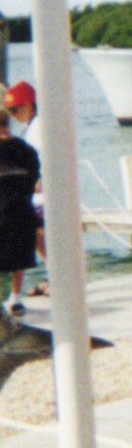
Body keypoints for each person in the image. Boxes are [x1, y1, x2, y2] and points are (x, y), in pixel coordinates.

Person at [3, 80, 46, 298]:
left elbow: (41, 158)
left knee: (38, 235)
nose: (13, 115)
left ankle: (56, 277)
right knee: (38, 236)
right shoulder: (34, 126)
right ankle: (55, 276)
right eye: (9, 111)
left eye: (15, 109)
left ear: (29, 105)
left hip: (43, 193)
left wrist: (38, 181)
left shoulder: (37, 128)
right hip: (39, 193)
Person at [0, 106, 41, 316]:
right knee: (18, 257)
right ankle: (16, 297)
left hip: (2, 213)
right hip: (23, 212)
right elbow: (36, 182)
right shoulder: (27, 150)